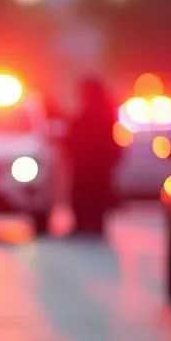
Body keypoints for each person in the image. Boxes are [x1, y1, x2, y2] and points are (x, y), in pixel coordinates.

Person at [63, 76, 122, 235]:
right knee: (85, 196)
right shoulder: (103, 114)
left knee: (92, 196)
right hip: (89, 164)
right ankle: (86, 224)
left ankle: (90, 224)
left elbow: (110, 141)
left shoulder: (100, 115)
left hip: (94, 165)